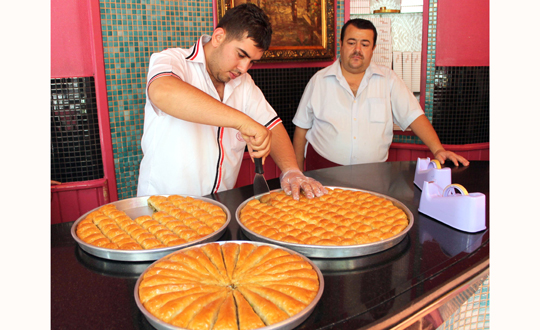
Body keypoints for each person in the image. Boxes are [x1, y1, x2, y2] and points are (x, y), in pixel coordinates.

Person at [137, 3, 326, 200]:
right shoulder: (172, 60)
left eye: (252, 61)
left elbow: (271, 125)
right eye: (241, 55)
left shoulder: (243, 83)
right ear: (219, 37)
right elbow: (162, 92)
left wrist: (291, 170)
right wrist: (242, 121)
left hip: (218, 208)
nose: (244, 68)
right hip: (163, 207)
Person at [292, 18, 469, 171]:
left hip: (374, 173)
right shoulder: (319, 81)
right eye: (351, 42)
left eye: (365, 44)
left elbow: (414, 116)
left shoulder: (388, 79)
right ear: (341, 43)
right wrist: (297, 173)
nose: (357, 50)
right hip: (324, 169)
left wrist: (438, 150)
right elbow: (301, 129)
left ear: (373, 48)